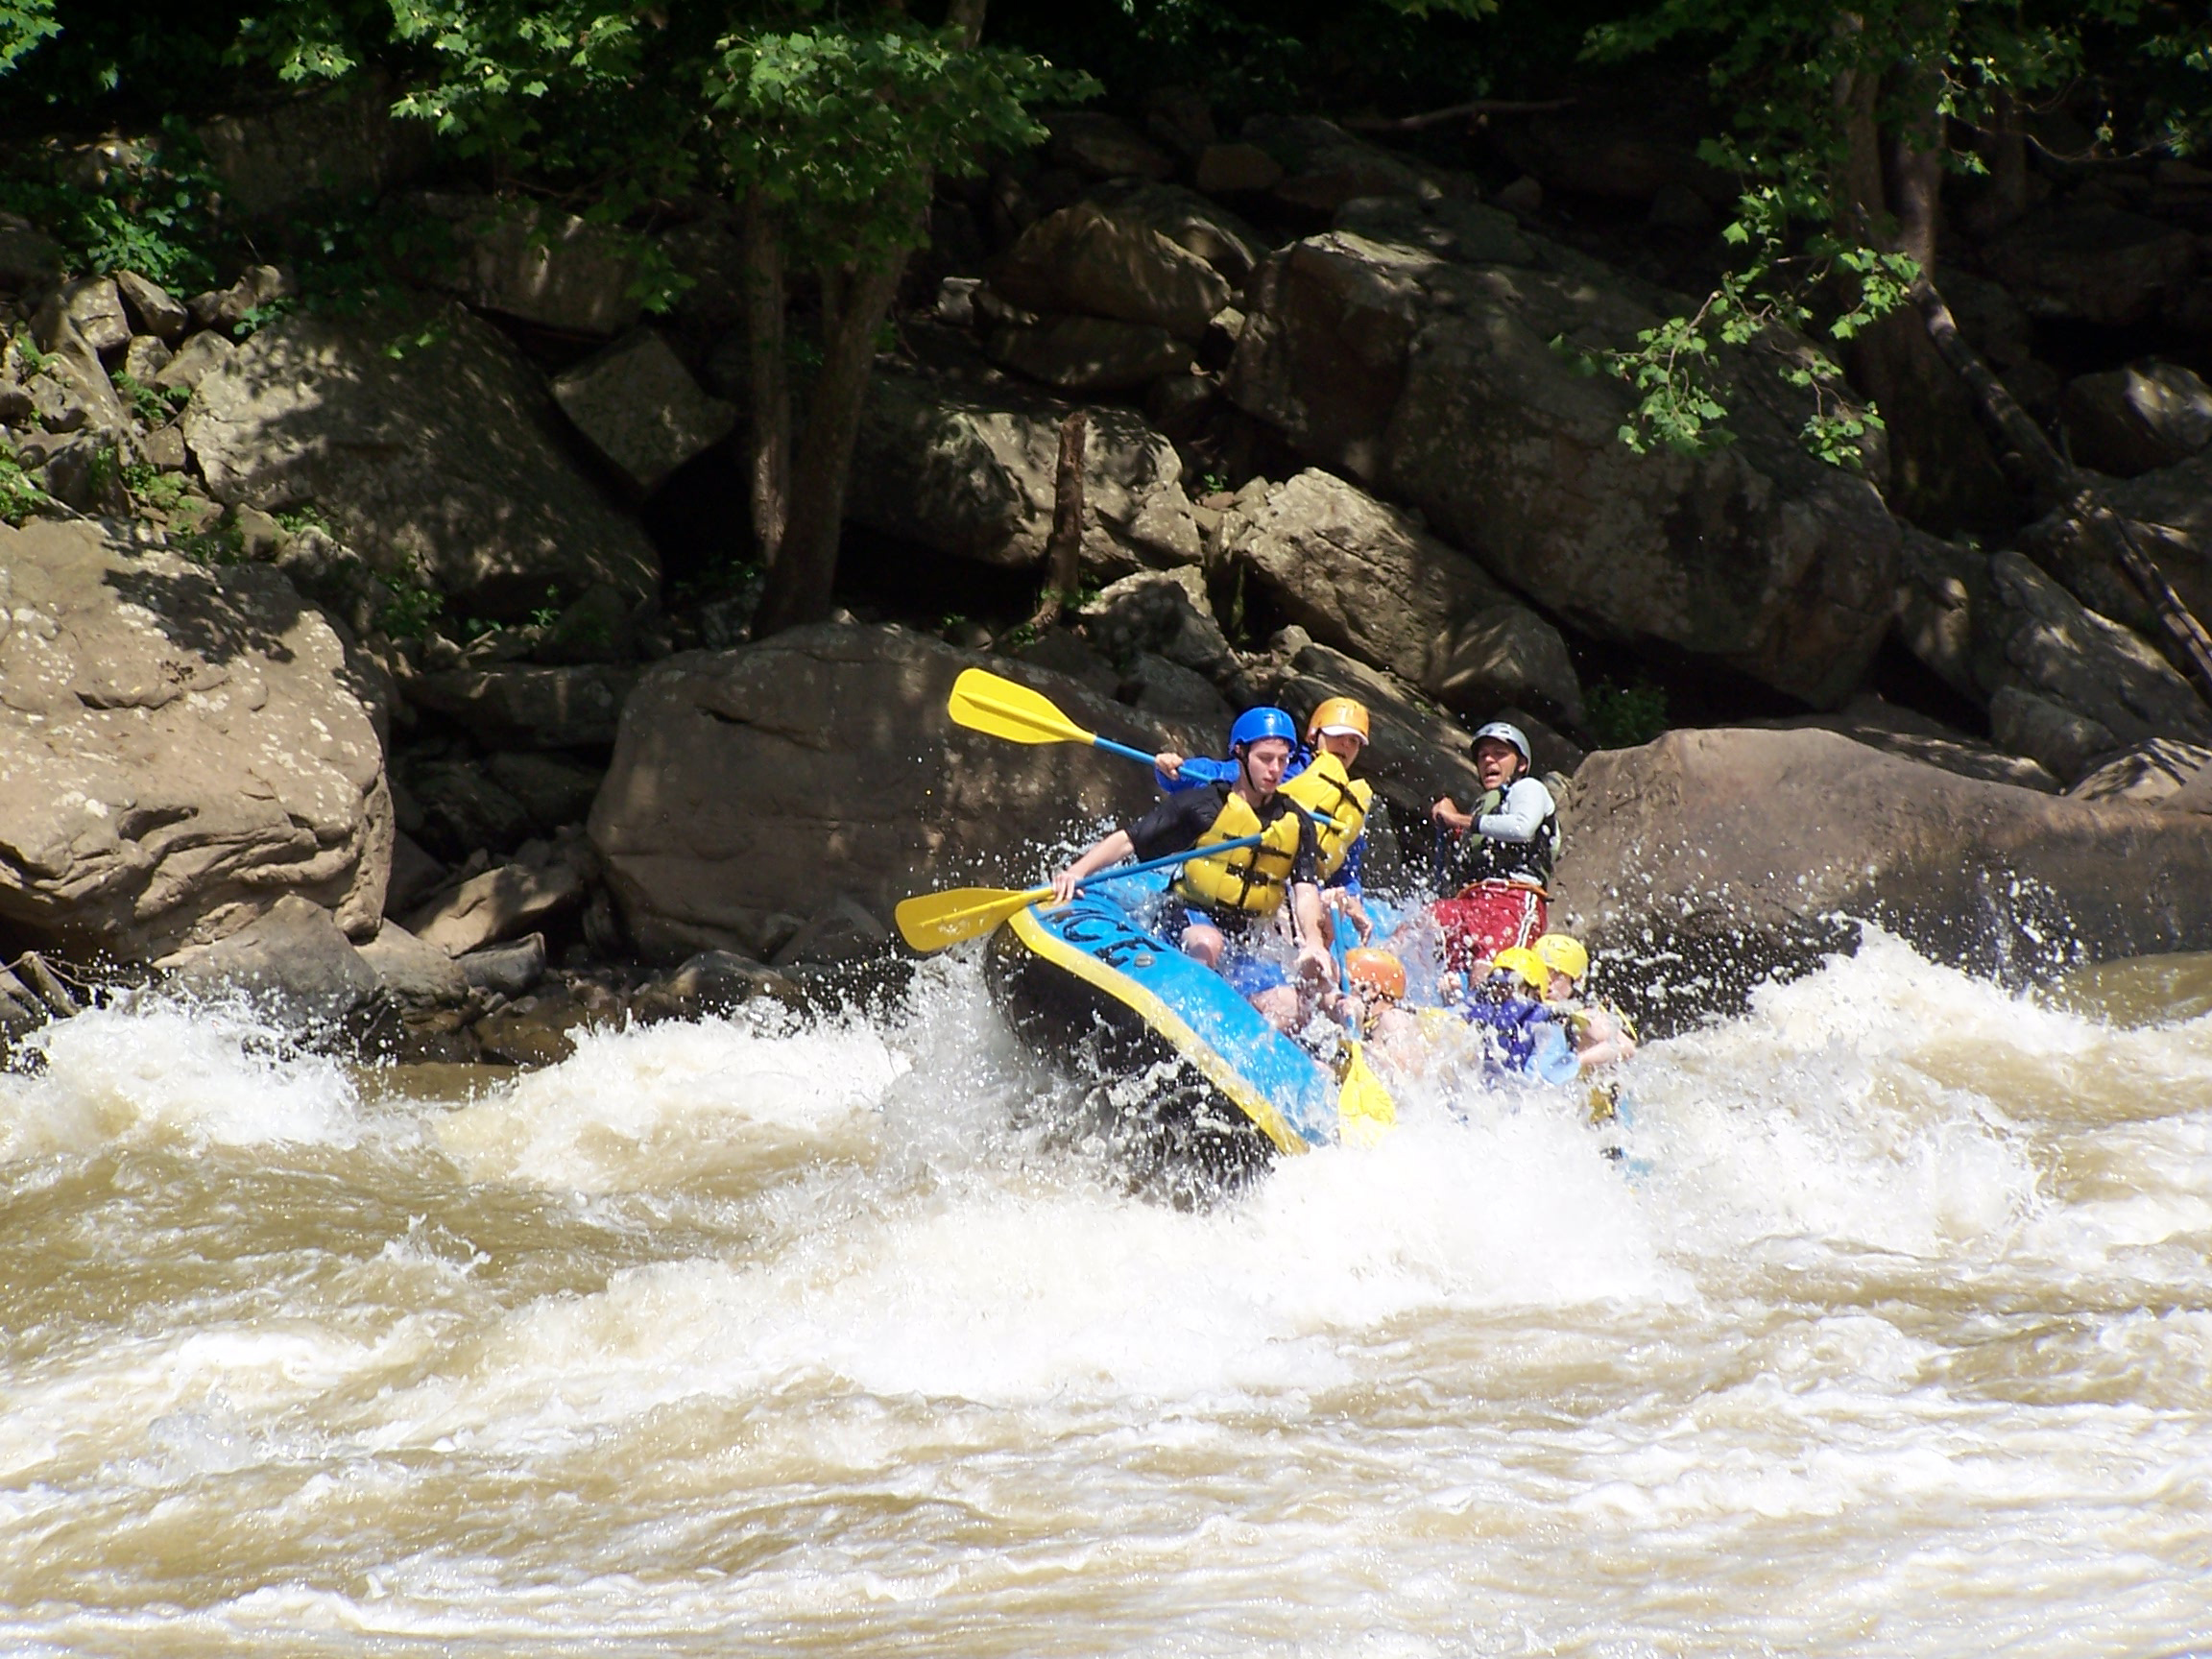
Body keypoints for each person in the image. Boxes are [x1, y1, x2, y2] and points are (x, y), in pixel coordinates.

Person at [1052, 706, 1332, 1030]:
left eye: (1282, 760)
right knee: (1208, 943)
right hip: (1189, 916)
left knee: (1290, 1005)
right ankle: (1179, 1022)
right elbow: (1130, 840)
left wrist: (1314, 941)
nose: (1275, 769)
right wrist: (1078, 871)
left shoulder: (1297, 823)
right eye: (1265, 759)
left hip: (1246, 937)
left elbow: (1305, 891)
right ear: (1240, 754)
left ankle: (1234, 1043)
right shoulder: (1205, 805)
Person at [1160, 697, 1378, 941]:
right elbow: (1217, 775)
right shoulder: (1278, 768)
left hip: (1288, 894)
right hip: (1224, 887)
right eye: (1338, 735)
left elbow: (1345, 868)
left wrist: (1353, 899)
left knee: (1330, 908)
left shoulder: (1349, 804)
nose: (1345, 745)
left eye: (1354, 741)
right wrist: (1174, 771)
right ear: (1314, 735)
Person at [1428, 721, 1559, 977]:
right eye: (1483, 756)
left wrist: (1458, 819)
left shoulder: (1529, 788)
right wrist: (1453, 827)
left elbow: (1521, 828)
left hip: (1515, 901)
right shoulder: (1486, 806)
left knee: (1487, 974)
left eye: (1500, 754)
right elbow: (1476, 852)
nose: (1489, 760)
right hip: (1472, 900)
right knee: (1421, 926)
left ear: (1521, 764)